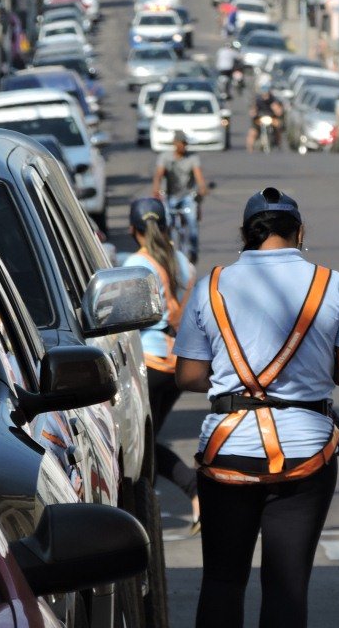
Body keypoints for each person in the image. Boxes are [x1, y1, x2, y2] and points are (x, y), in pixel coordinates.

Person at [174, 187, 339, 628]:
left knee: (223, 581)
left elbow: (188, 377)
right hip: (307, 453)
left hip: (228, 450)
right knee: (287, 586)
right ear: (300, 232)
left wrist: (233, 381)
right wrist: (314, 373)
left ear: (245, 235)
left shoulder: (212, 285)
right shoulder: (332, 284)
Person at [123, 198, 200, 533]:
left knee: (140, 446)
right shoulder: (184, 263)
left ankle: (193, 490)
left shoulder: (134, 264)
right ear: (168, 225)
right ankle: (188, 494)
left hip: (148, 364)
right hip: (176, 366)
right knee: (146, 444)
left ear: (132, 229)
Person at [152, 131, 208, 262]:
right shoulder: (165, 157)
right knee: (167, 222)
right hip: (170, 195)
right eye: (182, 143)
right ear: (175, 143)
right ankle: (168, 251)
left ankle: (193, 252)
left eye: (185, 143)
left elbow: (199, 177)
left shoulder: (192, 158)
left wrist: (202, 189)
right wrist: (156, 190)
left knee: (192, 222)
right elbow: (158, 175)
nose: (184, 146)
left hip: (187, 196)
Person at [247, 85, 284, 152]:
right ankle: (250, 148)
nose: (265, 95)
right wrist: (253, 113)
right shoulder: (257, 100)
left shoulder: (273, 100)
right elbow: (253, 109)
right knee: (252, 132)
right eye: (264, 93)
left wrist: (277, 110)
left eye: (266, 93)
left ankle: (278, 144)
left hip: (271, 118)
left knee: (278, 127)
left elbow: (278, 110)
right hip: (259, 119)